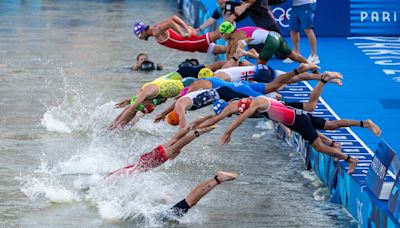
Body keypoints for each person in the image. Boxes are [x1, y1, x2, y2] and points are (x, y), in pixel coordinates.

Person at [219, 96, 382, 174]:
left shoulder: (257, 104)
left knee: (319, 147)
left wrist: (228, 132)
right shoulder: (260, 101)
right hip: (298, 116)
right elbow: (278, 113)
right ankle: (364, 123)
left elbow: (241, 119)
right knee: (332, 125)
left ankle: (351, 159)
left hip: (298, 122)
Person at [107, 116, 217, 177]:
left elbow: (131, 174)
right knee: (174, 141)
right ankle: (201, 120)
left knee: (177, 145)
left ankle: (201, 131)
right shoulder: (123, 171)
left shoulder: (127, 174)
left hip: (153, 159)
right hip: (149, 156)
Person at [108, 77, 196, 129]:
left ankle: (115, 126)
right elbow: (133, 106)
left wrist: (163, 114)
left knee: (135, 108)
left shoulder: (151, 91)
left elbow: (135, 103)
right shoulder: (150, 92)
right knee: (134, 108)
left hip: (168, 89)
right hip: (165, 89)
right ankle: (115, 126)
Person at [219, 21, 308, 67]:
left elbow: (231, 55)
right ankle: (311, 65)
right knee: (293, 56)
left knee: (260, 65)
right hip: (275, 36)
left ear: (228, 33)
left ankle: (268, 86)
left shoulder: (238, 37)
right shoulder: (236, 34)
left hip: (271, 40)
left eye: (221, 33)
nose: (220, 35)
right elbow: (228, 51)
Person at [164, 171, 237, 221]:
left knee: (189, 201)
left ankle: (218, 179)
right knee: (189, 201)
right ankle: (216, 178)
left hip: (158, 220)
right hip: (158, 218)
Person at [133, 16, 225, 54]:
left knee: (217, 34)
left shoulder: (156, 32)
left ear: (143, 32)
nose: (140, 38)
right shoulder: (156, 26)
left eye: (139, 36)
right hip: (191, 44)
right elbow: (174, 17)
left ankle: (231, 21)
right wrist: (186, 28)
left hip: (191, 43)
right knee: (219, 50)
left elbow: (170, 22)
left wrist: (183, 33)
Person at [289, 0, 319, 64]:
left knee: (308, 29)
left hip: (307, 4)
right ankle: (296, 53)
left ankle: (314, 55)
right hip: (295, 5)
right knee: (293, 30)